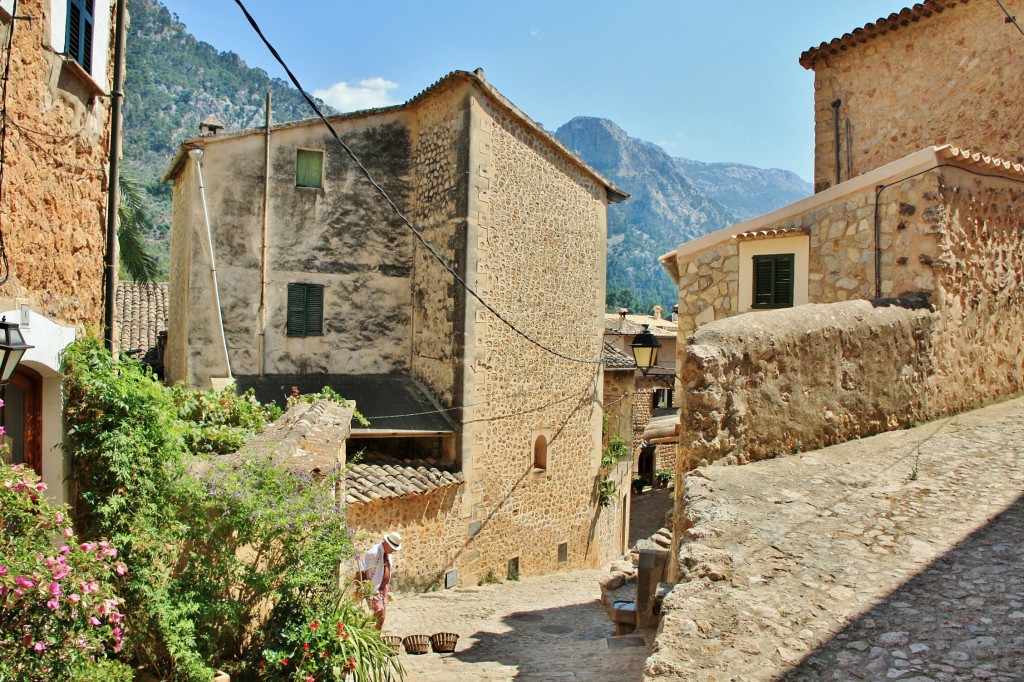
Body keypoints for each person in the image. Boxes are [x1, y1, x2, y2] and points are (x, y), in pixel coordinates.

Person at [356, 531, 402, 629]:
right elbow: (360, 570)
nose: (394, 550)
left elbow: (387, 570)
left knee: (381, 615)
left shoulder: (389, 554)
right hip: (373, 588)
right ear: (387, 543)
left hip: (383, 589)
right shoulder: (373, 552)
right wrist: (361, 587)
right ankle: (374, 637)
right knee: (380, 615)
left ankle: (373, 636)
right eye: (393, 548)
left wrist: (388, 584)